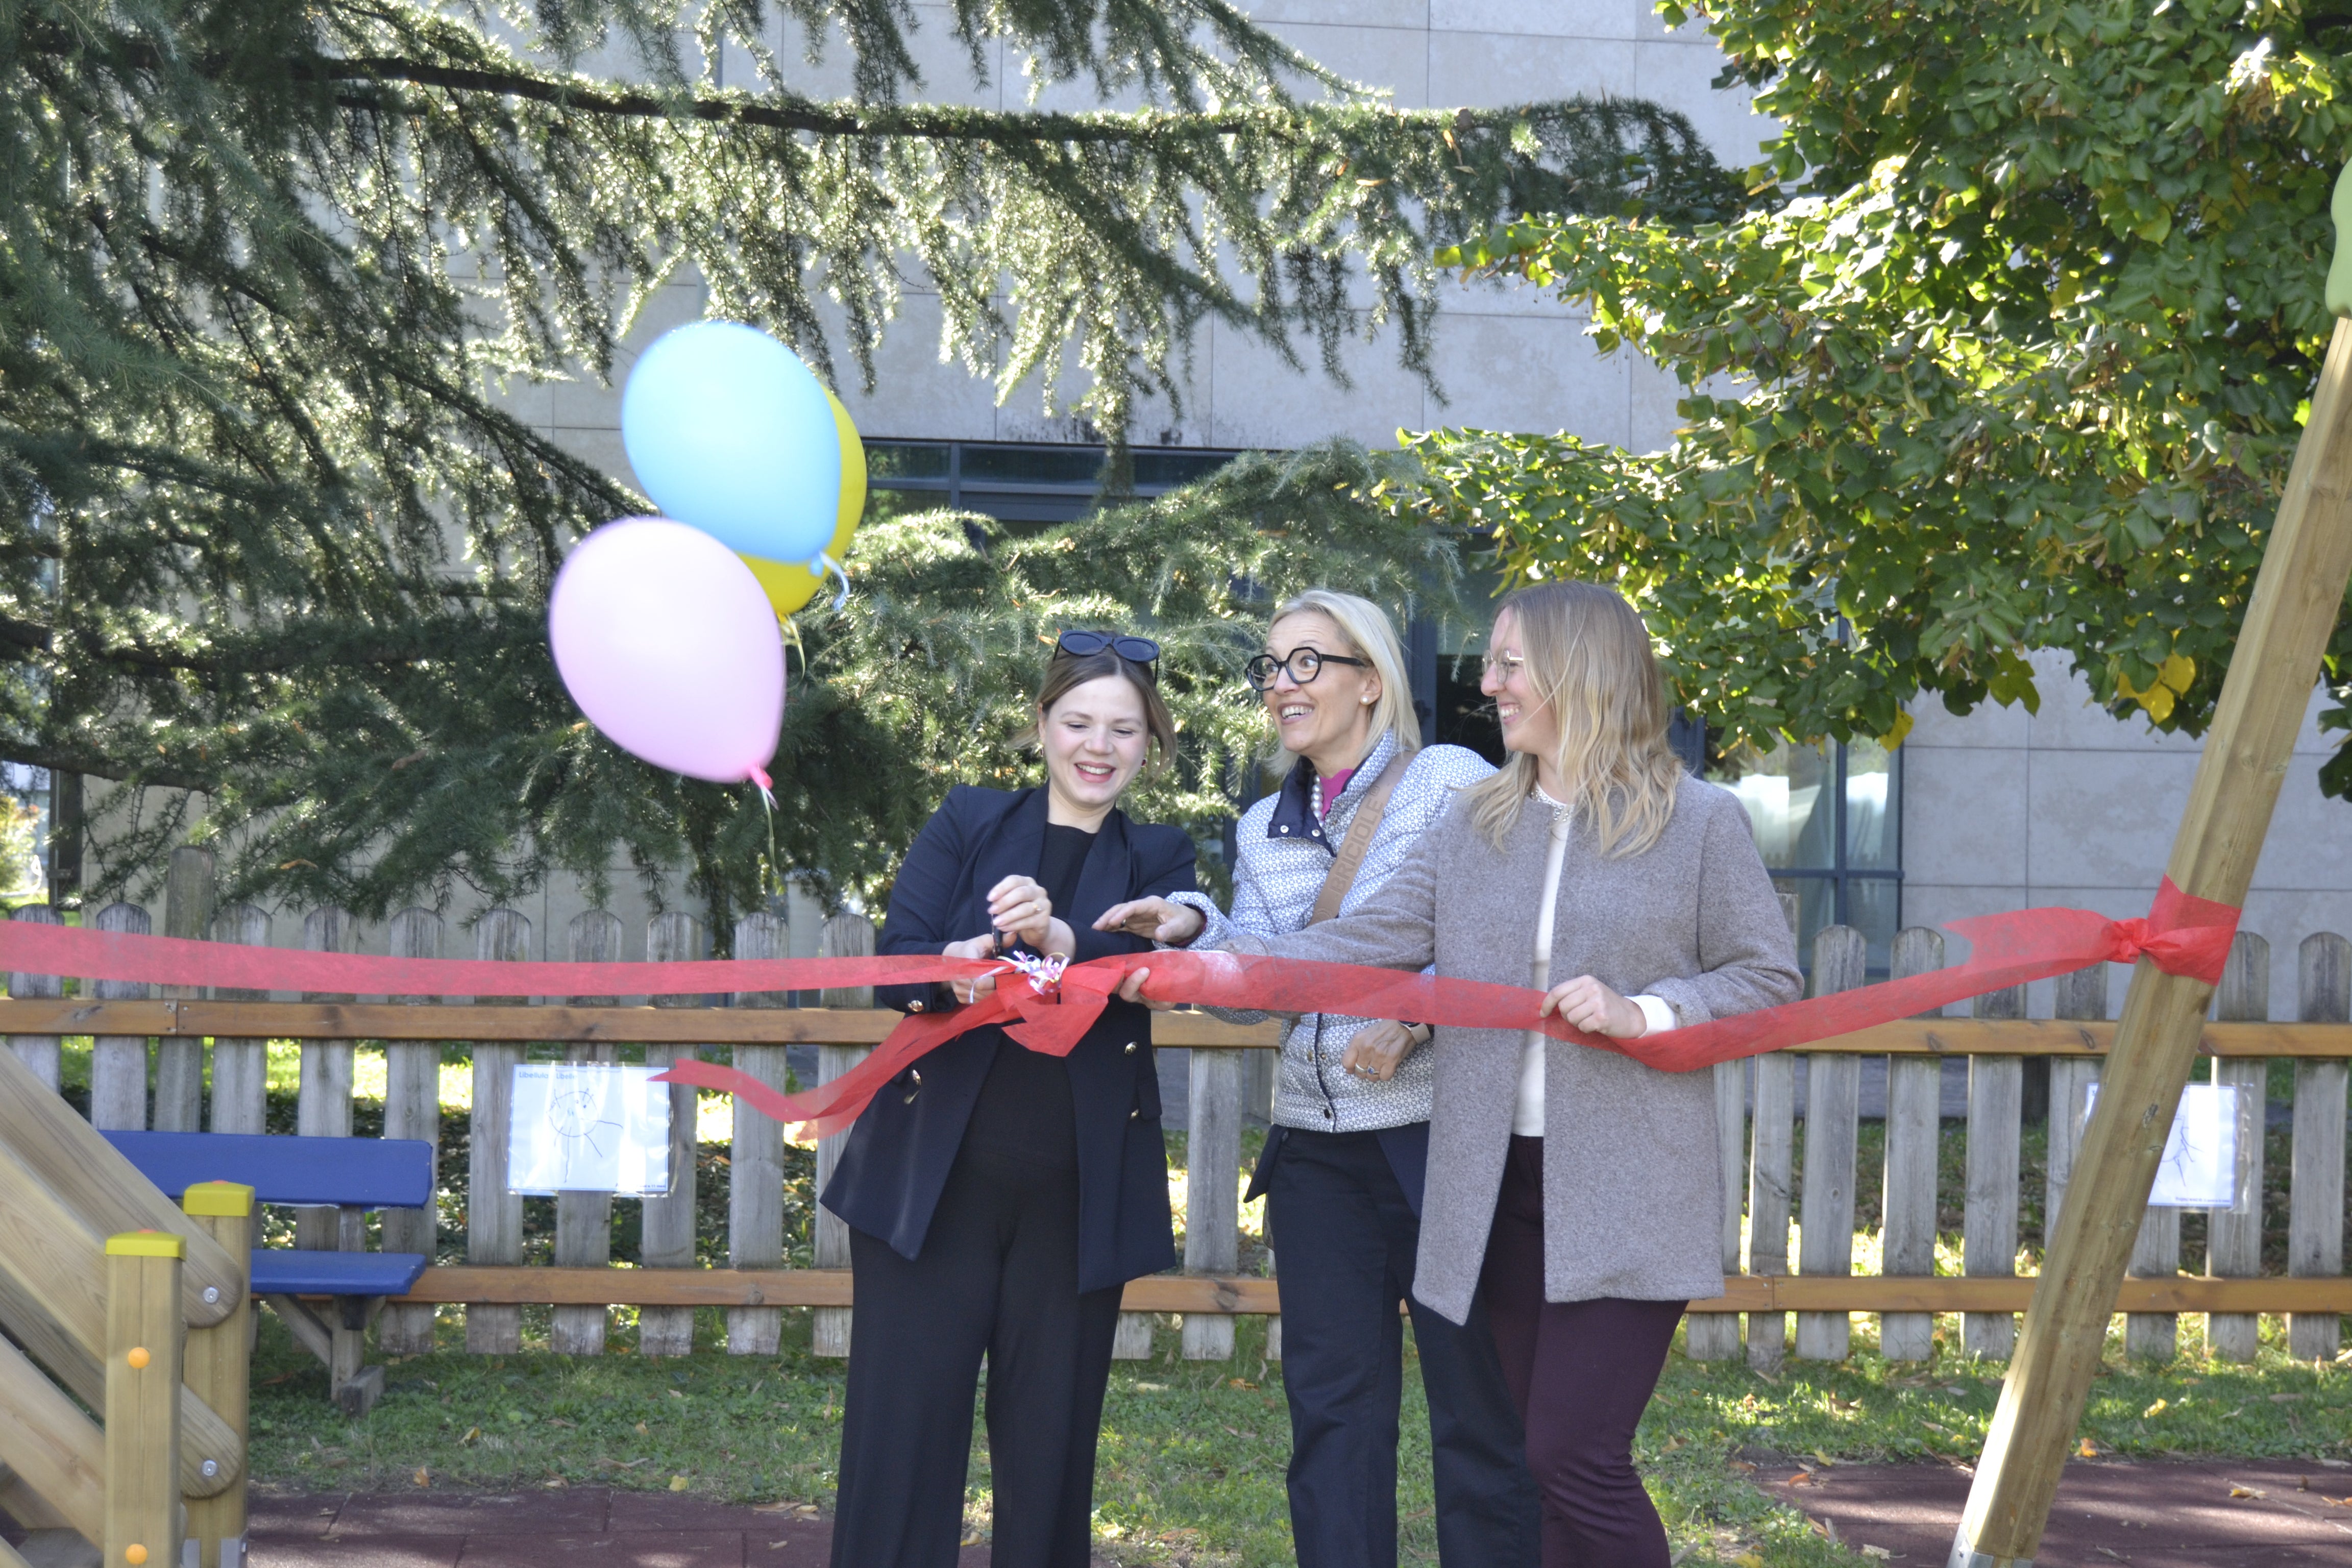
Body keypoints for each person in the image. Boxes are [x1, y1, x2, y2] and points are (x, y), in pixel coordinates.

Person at [1114, 581, 1802, 1568]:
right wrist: (1197, 960)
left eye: (1510, 665)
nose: (1489, 685)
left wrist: (1643, 1010)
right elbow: (1358, 944)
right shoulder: (1479, 822)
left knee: (1573, 1456)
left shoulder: (1700, 823)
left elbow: (1768, 980)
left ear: (1579, 673)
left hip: (1625, 1186)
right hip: (1493, 1190)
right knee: (1533, 1451)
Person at [1094, 589, 1539, 1568]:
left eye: (1308, 664)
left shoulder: (1452, 782)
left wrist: (1417, 1009)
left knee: (1478, 1407)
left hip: (1439, 1140)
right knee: (1332, 1413)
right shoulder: (1262, 825)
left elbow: (1506, 933)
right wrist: (1192, 933)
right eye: (1271, 667)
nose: (1281, 686)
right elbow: (1264, 982)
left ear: (1370, 682)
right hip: (1314, 1156)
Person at [822, 630, 1195, 1568]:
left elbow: (1168, 963)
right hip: (931, 1187)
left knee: (1051, 1459)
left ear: (1151, 742)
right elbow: (895, 965)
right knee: (898, 1448)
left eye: (1124, 728)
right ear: (1042, 727)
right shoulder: (969, 820)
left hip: (1076, 1206)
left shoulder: (1162, 856)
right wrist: (950, 973)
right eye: (1078, 722)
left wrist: (1067, 937)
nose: (1098, 746)